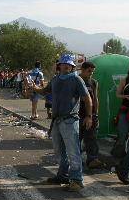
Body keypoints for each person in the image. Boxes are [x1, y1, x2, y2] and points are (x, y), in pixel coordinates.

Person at [34, 54, 92, 192]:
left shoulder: (76, 79)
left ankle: (77, 180)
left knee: (73, 152)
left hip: (70, 120)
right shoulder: (55, 79)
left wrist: (89, 116)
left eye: (69, 65)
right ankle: (63, 176)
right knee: (59, 151)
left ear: (72, 67)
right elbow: (43, 91)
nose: (66, 66)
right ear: (59, 66)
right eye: (63, 64)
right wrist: (33, 87)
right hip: (56, 120)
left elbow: (87, 98)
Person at [114, 61, 129, 185]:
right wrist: (125, 97)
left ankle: (124, 169)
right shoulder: (125, 80)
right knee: (122, 138)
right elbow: (117, 94)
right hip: (125, 112)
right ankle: (120, 161)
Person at [78, 61, 103, 169]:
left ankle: (92, 159)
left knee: (91, 137)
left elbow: (95, 98)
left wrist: (95, 114)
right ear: (82, 70)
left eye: (92, 72)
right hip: (78, 115)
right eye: (89, 71)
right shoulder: (76, 80)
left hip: (91, 115)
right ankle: (76, 160)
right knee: (76, 138)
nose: (91, 73)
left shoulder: (93, 82)